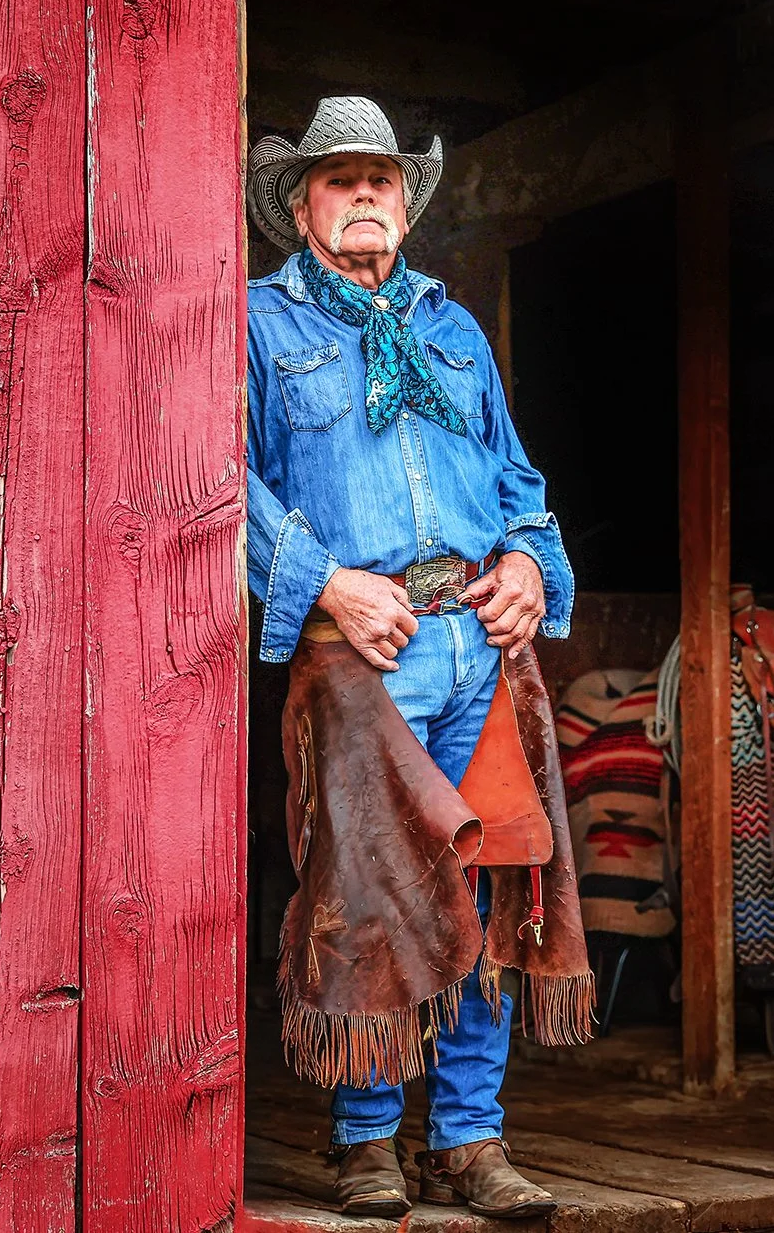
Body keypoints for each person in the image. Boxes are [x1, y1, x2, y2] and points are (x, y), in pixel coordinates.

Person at [245, 96, 588, 1219]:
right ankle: (365, 1142)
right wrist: (328, 585)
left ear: (403, 205)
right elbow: (221, 481)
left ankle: (470, 1140)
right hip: (359, 650)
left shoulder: (451, 331)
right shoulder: (260, 325)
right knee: (366, 891)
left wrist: (531, 567)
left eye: (379, 182)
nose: (361, 199)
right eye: (338, 182)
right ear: (301, 208)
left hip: (472, 646)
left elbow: (517, 484)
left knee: (485, 886)